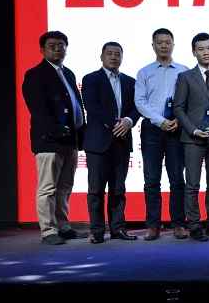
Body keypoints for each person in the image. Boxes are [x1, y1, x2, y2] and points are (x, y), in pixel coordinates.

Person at [21, 30, 88, 245]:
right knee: (48, 188)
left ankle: (63, 226)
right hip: (50, 141)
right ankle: (49, 230)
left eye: (61, 45)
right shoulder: (36, 74)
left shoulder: (68, 73)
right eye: (52, 46)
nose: (57, 49)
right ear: (42, 50)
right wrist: (56, 130)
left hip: (71, 140)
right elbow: (38, 110)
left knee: (65, 187)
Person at [174, 32, 209, 242]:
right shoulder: (185, 77)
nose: (206, 52)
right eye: (201, 49)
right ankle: (194, 225)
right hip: (193, 139)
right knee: (192, 185)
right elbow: (179, 108)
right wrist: (193, 130)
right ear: (193, 52)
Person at [81, 42, 140, 243]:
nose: (113, 57)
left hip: (122, 142)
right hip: (98, 142)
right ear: (102, 57)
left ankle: (118, 229)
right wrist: (116, 123)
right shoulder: (91, 79)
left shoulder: (130, 82)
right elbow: (92, 106)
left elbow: (137, 107)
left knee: (118, 189)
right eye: (109, 53)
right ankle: (97, 231)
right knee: (96, 190)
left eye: (117, 54)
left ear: (122, 57)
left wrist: (128, 121)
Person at [134, 28, 188, 240]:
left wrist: (178, 121)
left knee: (177, 180)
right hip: (152, 131)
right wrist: (161, 121)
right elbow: (140, 101)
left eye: (167, 42)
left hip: (177, 129)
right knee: (151, 180)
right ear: (153, 45)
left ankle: (178, 224)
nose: (164, 46)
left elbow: (188, 100)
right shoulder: (144, 72)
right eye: (159, 42)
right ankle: (153, 225)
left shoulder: (184, 71)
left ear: (173, 45)